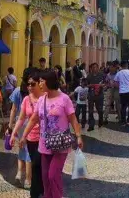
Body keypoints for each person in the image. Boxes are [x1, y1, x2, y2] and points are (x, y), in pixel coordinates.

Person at [20, 70, 84, 198]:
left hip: (61, 144)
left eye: (41, 81)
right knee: (45, 178)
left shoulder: (64, 99)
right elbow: (33, 119)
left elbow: (73, 118)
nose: (40, 84)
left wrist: (78, 136)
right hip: (45, 144)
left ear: (49, 82)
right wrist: (23, 136)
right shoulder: (42, 99)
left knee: (53, 175)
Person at [10, 74, 43, 196]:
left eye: (32, 84)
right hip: (31, 138)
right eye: (28, 84)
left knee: (37, 165)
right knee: (35, 165)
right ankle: (37, 191)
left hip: (44, 139)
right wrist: (13, 133)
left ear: (39, 84)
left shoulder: (45, 98)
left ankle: (37, 190)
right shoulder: (26, 100)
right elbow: (21, 119)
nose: (29, 87)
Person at [7, 79, 32, 190]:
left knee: (22, 148)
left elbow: (13, 109)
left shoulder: (17, 90)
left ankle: (18, 173)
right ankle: (27, 179)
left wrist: (10, 126)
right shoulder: (32, 91)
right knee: (28, 152)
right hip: (30, 123)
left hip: (19, 123)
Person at [114, 61, 129, 126]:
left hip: (122, 92)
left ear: (121, 66)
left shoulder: (118, 73)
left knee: (123, 107)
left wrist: (121, 87)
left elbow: (115, 83)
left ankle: (123, 121)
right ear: (127, 65)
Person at [85, 62, 105, 131]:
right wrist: (90, 85)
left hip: (100, 95)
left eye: (96, 67)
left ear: (98, 68)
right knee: (90, 111)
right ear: (91, 68)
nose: (94, 69)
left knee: (100, 110)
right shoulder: (89, 76)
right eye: (93, 67)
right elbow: (86, 85)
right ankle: (91, 125)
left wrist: (102, 85)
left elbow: (105, 83)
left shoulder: (102, 75)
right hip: (91, 95)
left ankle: (100, 122)